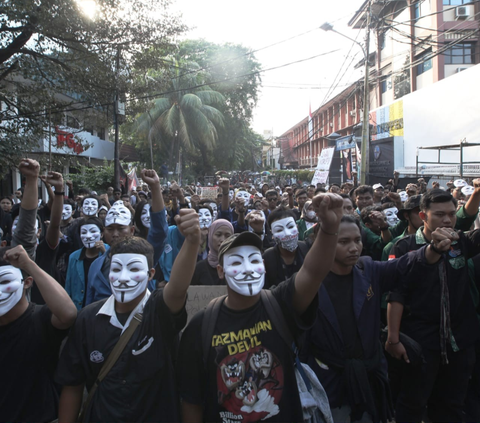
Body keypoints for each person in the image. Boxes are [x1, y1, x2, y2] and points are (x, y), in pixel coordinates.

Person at [177, 193, 344, 423]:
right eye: (236, 262)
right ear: (220, 271)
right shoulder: (200, 327)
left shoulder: (281, 304)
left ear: (264, 266)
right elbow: (192, 400)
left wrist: (330, 227)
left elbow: (313, 272)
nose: (247, 269)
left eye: (254, 261)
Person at [56, 209, 200, 422]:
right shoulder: (87, 318)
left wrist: (191, 241)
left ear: (151, 273)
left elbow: (177, 288)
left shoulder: (159, 311)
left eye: (134, 269)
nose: (123, 278)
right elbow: (73, 384)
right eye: (117, 269)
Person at [386, 189, 480, 422]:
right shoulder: (403, 247)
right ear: (423, 216)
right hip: (420, 343)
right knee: (413, 403)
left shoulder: (462, 242)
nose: (447, 220)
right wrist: (394, 339)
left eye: (451, 214)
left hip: (459, 342)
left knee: (452, 405)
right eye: (439, 214)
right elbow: (395, 295)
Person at [301, 215, 399, 422]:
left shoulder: (369, 270)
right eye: (344, 242)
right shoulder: (305, 283)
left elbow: (406, 265)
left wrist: (431, 251)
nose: (354, 248)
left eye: (357, 240)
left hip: (369, 378)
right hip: (327, 382)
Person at [0, 244, 77, 422]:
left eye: (4, 282)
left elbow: (68, 314)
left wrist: (29, 265)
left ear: (27, 283)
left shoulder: (40, 318)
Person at [65, 217, 108, 310]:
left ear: (101, 234)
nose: (88, 236)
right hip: (79, 309)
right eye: (84, 233)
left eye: (93, 232)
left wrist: (105, 254)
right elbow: (68, 286)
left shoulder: (110, 252)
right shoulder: (74, 257)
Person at [190, 219, 234, 285]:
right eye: (218, 235)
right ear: (210, 236)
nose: (222, 240)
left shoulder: (237, 267)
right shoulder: (198, 268)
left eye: (227, 236)